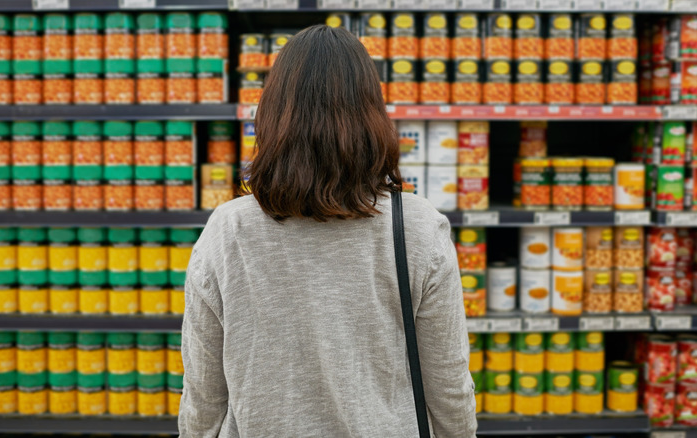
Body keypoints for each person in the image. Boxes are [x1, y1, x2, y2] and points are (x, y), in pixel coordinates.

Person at [179, 24, 475, 437]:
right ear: (372, 114)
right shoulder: (418, 227)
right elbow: (449, 388)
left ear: (271, 114)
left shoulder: (229, 230)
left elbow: (203, 398)